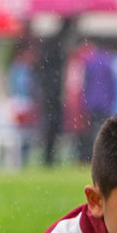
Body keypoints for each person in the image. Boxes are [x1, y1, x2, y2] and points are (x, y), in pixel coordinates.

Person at [36, 16, 76, 167]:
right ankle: (49, 157)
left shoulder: (52, 45)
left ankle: (50, 156)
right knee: (52, 125)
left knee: (52, 125)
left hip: (52, 92)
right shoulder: (55, 46)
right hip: (52, 92)